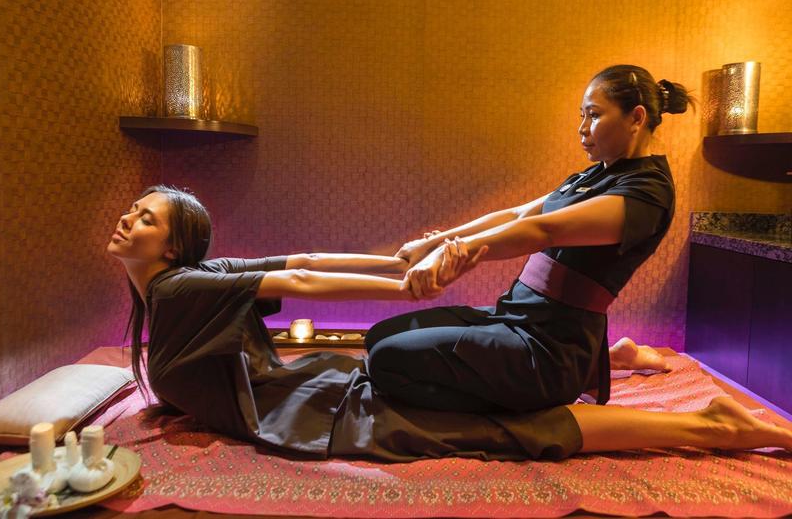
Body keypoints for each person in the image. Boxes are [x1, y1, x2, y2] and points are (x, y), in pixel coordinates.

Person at [106, 190, 791, 462]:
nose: (126, 219)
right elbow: (306, 264)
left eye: (143, 216)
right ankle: (610, 358)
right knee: (462, 379)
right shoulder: (179, 287)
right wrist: (402, 271)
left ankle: (712, 427)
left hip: (312, 407)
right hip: (310, 388)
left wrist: (401, 275)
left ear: (171, 248)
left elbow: (305, 274)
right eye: (135, 210)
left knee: (495, 429)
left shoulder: (181, 288)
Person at [364, 64, 687, 415]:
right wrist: (436, 241)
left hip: (549, 348)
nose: (581, 129)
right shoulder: (597, 172)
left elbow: (543, 230)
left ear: (636, 118)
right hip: (512, 318)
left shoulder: (647, 192)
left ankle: (554, 392)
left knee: (387, 362)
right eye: (581, 115)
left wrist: (451, 254)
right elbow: (518, 215)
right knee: (379, 336)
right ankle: (609, 359)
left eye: (593, 116)